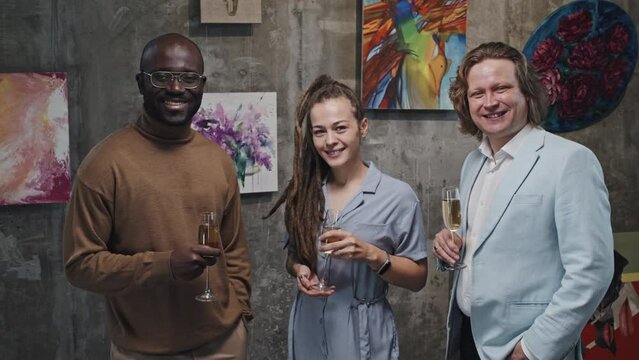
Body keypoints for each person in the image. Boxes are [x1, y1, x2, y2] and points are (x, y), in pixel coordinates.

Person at [63, 33, 252, 359]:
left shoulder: (218, 160)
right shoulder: (104, 164)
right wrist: (164, 265)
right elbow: (80, 265)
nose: (177, 88)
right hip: (144, 352)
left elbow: (233, 249)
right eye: (162, 77)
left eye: (188, 78)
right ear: (141, 83)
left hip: (224, 344)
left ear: (202, 85)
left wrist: (242, 314)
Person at [432, 41, 614, 360]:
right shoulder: (472, 163)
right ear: (467, 102)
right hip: (468, 337)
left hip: (527, 347)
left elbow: (592, 270)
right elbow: (480, 241)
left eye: (501, 88)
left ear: (526, 93)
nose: (490, 102)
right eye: (478, 93)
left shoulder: (571, 161)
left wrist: (532, 349)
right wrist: (448, 243)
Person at [265, 75, 428, 360]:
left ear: (362, 127)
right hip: (308, 326)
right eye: (319, 132)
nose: (330, 141)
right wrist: (300, 270)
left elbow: (418, 278)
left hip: (363, 333)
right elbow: (292, 255)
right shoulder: (303, 192)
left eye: (340, 128)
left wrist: (371, 254)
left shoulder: (398, 196)